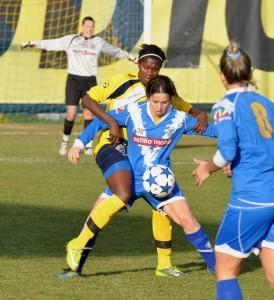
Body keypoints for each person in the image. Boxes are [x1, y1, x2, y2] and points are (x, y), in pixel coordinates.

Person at [62, 44, 210, 278]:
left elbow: (185, 109)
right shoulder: (123, 81)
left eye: (155, 68)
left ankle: (164, 265)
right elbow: (87, 100)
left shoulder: (159, 91)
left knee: (158, 195)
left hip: (139, 151)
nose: (150, 72)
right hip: (111, 145)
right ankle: (77, 255)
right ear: (138, 64)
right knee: (122, 194)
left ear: (160, 68)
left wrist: (200, 114)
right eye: (146, 66)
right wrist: (109, 124)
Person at [192, 43, 274, 300]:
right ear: (250, 72)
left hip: (252, 198)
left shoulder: (225, 106)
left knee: (226, 269)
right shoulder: (266, 103)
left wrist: (208, 167)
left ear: (222, 76)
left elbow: (227, 150)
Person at [21, 16, 136, 155]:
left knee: (89, 113)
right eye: (87, 26)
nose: (89, 29)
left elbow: (114, 51)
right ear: (82, 26)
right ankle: (65, 142)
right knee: (71, 114)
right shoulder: (71, 40)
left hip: (90, 81)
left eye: (92, 26)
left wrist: (129, 56)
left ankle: (87, 144)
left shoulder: (98, 42)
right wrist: (32, 43)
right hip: (74, 80)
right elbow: (51, 43)